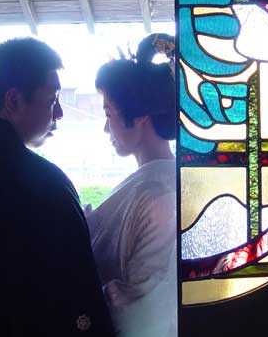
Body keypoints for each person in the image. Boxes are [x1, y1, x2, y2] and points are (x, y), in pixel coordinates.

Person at [0, 37, 115, 336]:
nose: (59, 113)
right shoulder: (45, 183)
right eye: (52, 100)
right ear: (13, 101)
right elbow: (79, 297)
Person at [86, 33, 179, 336]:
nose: (106, 128)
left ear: (139, 116)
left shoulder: (161, 197)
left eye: (109, 113)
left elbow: (144, 316)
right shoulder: (153, 184)